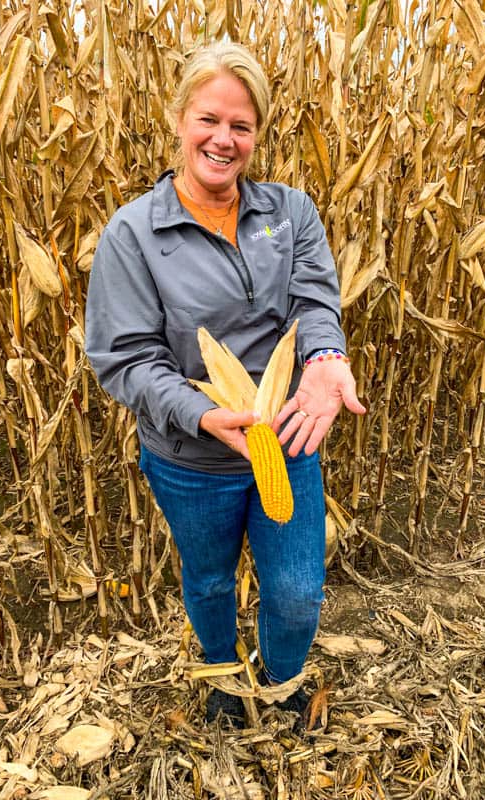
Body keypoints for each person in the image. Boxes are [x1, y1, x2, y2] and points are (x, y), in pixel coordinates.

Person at [85, 42, 366, 730]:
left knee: (297, 593)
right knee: (209, 580)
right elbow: (123, 357)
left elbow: (315, 302)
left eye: (241, 126)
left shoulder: (290, 213)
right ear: (178, 118)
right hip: (191, 458)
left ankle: (280, 679)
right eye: (209, 119)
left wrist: (327, 355)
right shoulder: (134, 235)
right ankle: (220, 675)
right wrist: (202, 415)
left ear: (257, 135)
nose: (224, 138)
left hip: (287, 439)